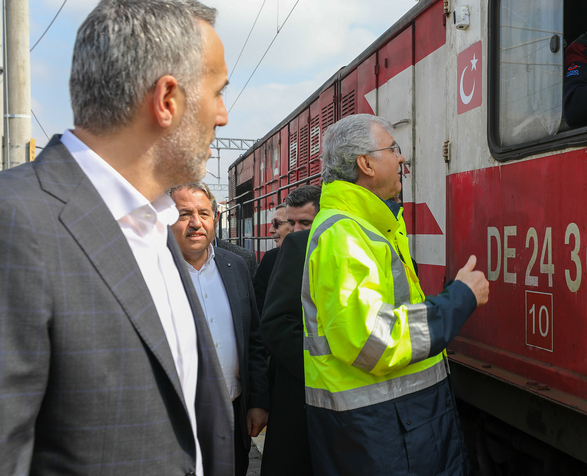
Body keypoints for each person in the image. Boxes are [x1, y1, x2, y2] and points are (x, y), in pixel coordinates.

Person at [0, 1, 233, 475]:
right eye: (217, 93)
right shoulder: (16, 223)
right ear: (168, 99)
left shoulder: (155, 224)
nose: (223, 116)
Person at [302, 114, 490, 475]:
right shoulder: (343, 237)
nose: (402, 159)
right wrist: (459, 298)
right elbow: (372, 339)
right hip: (380, 435)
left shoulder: (370, 227)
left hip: (394, 428)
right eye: (393, 148)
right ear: (366, 164)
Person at [169, 182, 270, 476]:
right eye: (184, 214)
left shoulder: (236, 266)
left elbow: (253, 339)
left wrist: (258, 402)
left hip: (232, 412)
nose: (196, 223)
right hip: (175, 418)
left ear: (216, 219)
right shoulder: (152, 271)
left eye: (204, 213)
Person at [257, 185, 322, 476]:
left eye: (305, 223)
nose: (295, 230)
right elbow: (260, 326)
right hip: (288, 387)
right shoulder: (271, 261)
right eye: (290, 222)